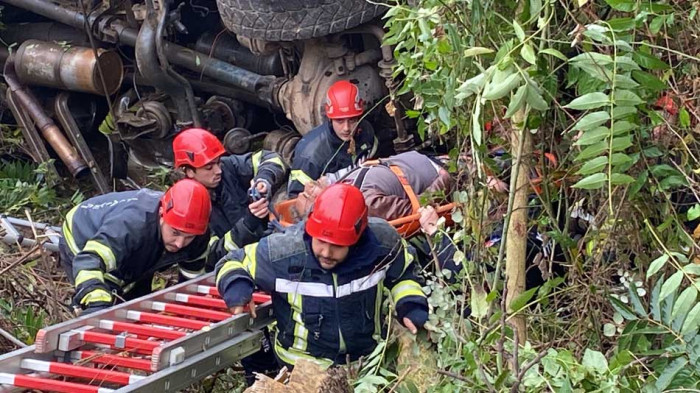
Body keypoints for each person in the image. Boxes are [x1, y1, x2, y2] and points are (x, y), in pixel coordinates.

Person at [215, 184, 429, 368]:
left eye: (337, 246)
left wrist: (410, 303)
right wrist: (237, 286)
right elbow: (230, 262)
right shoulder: (282, 251)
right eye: (321, 242)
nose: (326, 253)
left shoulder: (383, 244)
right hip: (300, 366)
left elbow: (404, 273)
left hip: (367, 363)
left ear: (357, 238)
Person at [59, 179, 212, 314]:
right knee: (106, 300)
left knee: (138, 298)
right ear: (161, 213)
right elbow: (88, 260)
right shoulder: (131, 226)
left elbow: (192, 279)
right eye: (175, 233)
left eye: (188, 237)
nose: (180, 243)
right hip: (82, 234)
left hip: (139, 243)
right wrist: (95, 298)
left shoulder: (198, 233)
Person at [172, 128, 288, 246]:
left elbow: (272, 158)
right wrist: (248, 223)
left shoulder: (227, 167)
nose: (218, 171)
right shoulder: (185, 208)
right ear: (189, 171)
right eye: (209, 168)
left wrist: (264, 178)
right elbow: (214, 253)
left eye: (218, 162)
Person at [295, 151, 452, 222]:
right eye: (310, 197)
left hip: (433, 159)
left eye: (306, 192)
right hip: (445, 172)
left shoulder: (342, 185)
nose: (308, 188)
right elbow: (419, 209)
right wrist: (447, 176)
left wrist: (323, 184)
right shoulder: (366, 204)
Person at [287, 80, 378, 197]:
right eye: (339, 120)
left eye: (352, 120)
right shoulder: (310, 155)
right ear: (329, 117)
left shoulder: (366, 131)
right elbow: (296, 200)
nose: (346, 128)